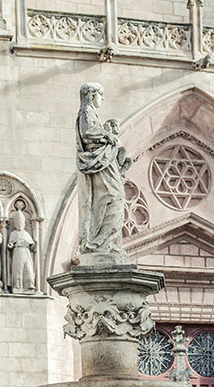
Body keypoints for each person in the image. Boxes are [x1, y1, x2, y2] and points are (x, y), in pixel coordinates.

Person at [75, 82, 128, 263]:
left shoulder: (91, 112)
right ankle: (100, 242)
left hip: (102, 160)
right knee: (114, 197)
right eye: (100, 94)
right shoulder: (86, 111)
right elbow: (87, 132)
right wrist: (107, 136)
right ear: (91, 95)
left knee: (114, 198)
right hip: (98, 161)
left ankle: (107, 242)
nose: (102, 98)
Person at [8, 210, 36, 293]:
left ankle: (29, 285)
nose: (20, 225)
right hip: (18, 251)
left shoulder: (26, 234)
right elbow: (10, 244)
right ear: (15, 224)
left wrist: (35, 243)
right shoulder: (14, 233)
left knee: (28, 268)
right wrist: (11, 245)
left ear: (24, 224)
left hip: (26, 252)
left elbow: (32, 246)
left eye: (21, 223)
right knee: (18, 269)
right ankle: (17, 286)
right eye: (18, 223)